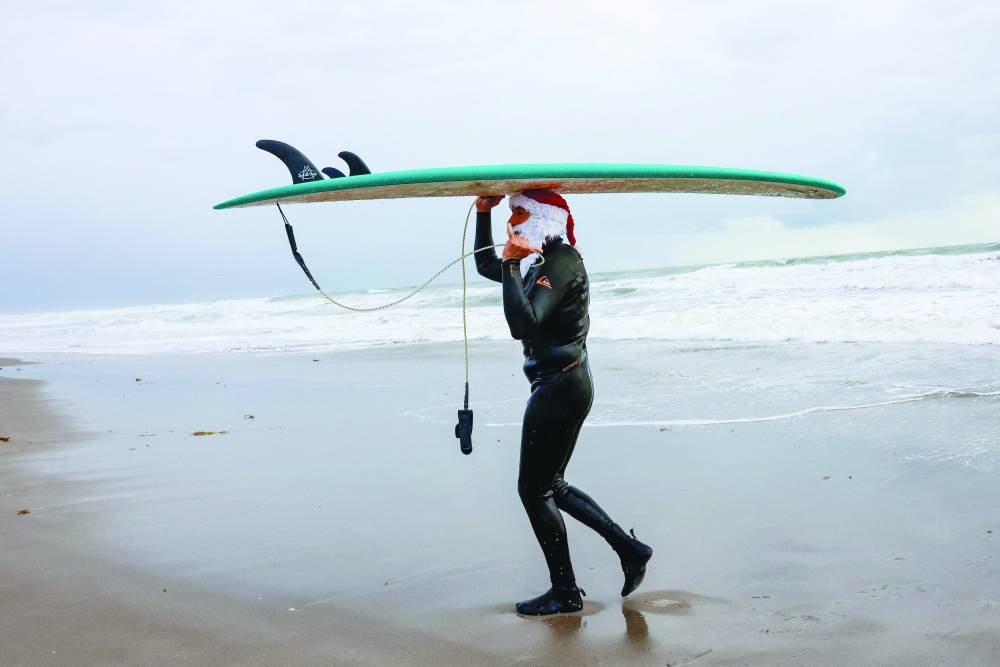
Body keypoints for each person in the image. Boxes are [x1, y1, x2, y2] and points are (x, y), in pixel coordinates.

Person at [474, 190, 653, 616]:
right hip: (562, 383)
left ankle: (566, 592)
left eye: (519, 212)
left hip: (561, 386)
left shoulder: (562, 261)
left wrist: (513, 263)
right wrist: (484, 214)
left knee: (533, 490)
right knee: (551, 485)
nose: (511, 220)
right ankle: (630, 549)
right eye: (511, 212)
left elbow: (523, 324)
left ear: (542, 218)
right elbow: (486, 264)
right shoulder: (542, 260)